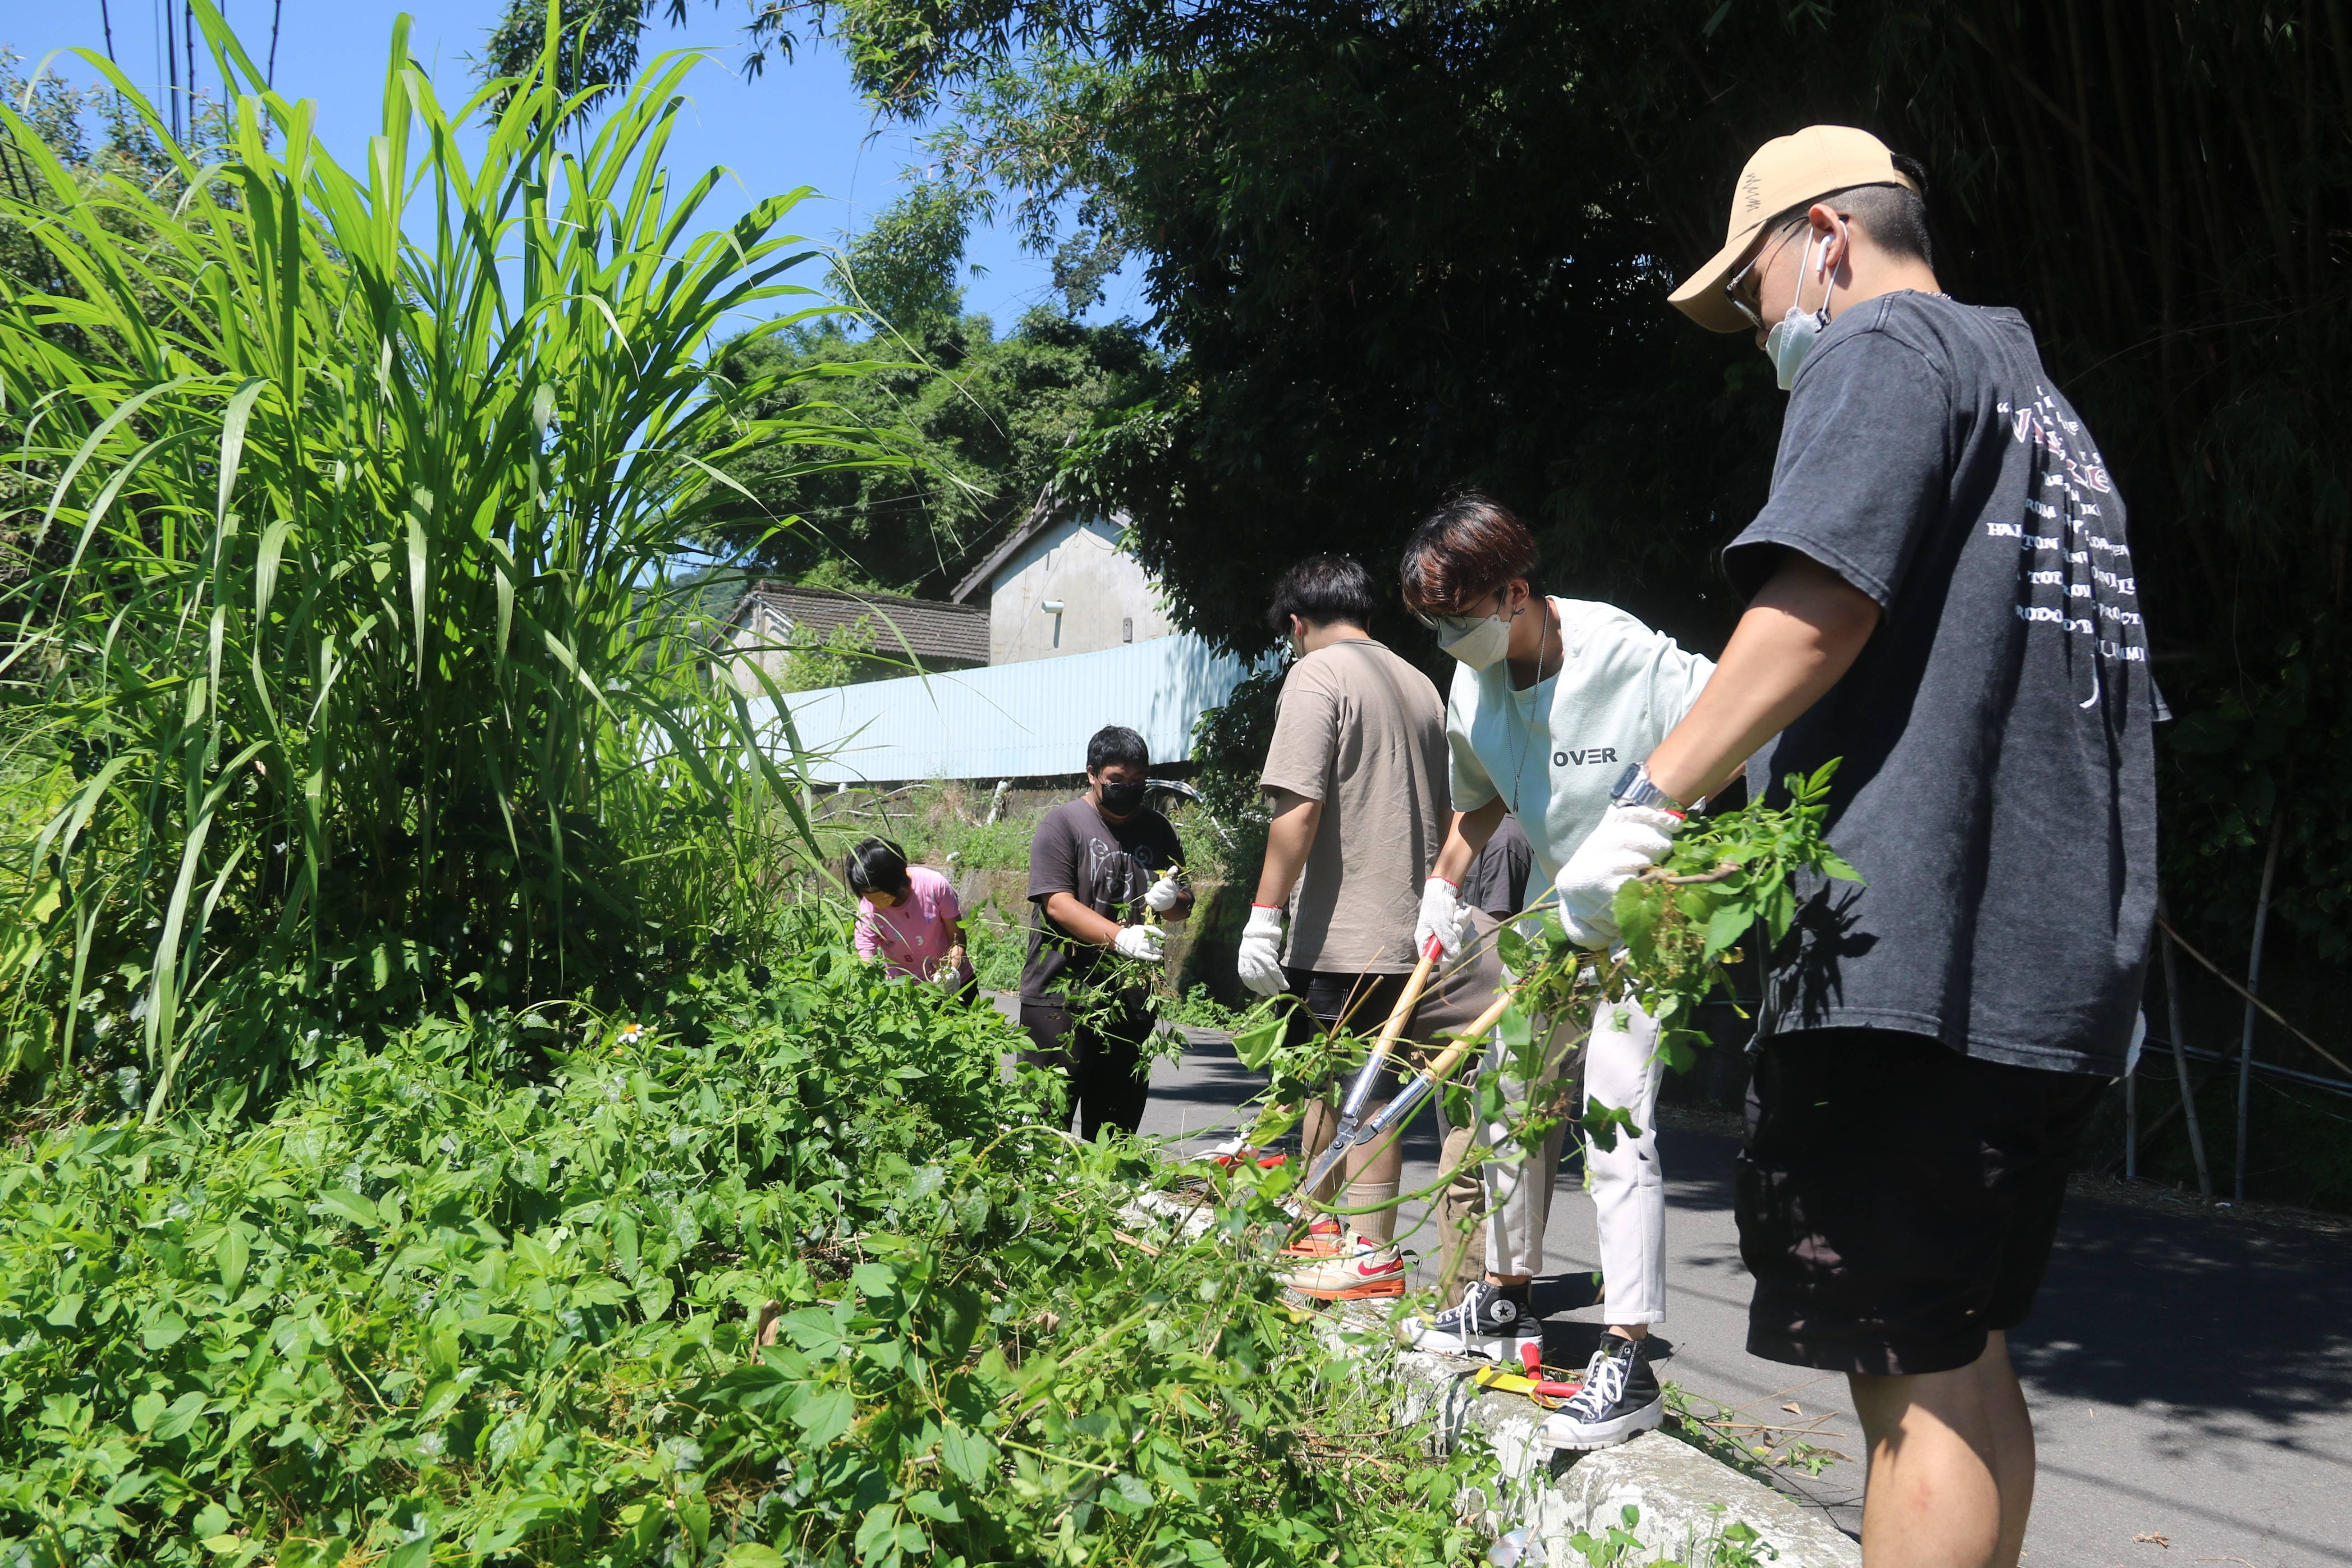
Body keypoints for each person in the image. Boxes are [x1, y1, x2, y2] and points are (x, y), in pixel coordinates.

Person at [1555, 125, 2159, 1567]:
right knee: (1963, 1349)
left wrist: (1649, 804)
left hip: (1918, 956)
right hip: (2045, 951)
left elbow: (1818, 600)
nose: (1757, 329)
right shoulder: (2037, 405)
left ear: (1821, 236)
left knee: (1909, 1382)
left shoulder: (1885, 346)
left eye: (1751, 288)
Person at [1398, 492, 1714, 1456]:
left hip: (1648, 914)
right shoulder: (1472, 686)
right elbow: (1478, 804)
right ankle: (1504, 1292)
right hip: (1549, 910)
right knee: (1507, 1097)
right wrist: (1439, 891)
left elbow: (1735, 732)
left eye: (1458, 618)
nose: (1449, 638)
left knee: (1617, 1116)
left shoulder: (1625, 653)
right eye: (1433, 625)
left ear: (1514, 593)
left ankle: (1626, 1353)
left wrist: (1675, 843)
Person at [1232, 554, 1453, 1300]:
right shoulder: (1421, 684)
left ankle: (1370, 1252)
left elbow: (1297, 807)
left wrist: (1264, 913)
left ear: (1297, 624)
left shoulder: (1315, 675)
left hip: (1346, 925)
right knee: (1332, 1079)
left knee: (1360, 1083)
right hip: (1415, 922)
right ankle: (1322, 1227)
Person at [1019, 725, 1194, 1140]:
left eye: (1138, 782)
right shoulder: (1062, 825)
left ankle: (1105, 1199)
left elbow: (1183, 906)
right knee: (1045, 1122)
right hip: (1060, 994)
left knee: (1115, 1128)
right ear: (1092, 774)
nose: (1128, 790)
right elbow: (1057, 902)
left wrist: (1172, 901)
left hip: (1129, 997)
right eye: (1117, 781)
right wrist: (1120, 938)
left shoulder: (1158, 828)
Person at [848, 836, 975, 994]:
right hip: (907, 993)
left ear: (894, 880)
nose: (875, 901)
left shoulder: (934, 885)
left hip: (956, 982)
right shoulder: (867, 911)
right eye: (866, 893)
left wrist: (947, 974)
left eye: (878, 893)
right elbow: (867, 956)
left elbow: (958, 939)